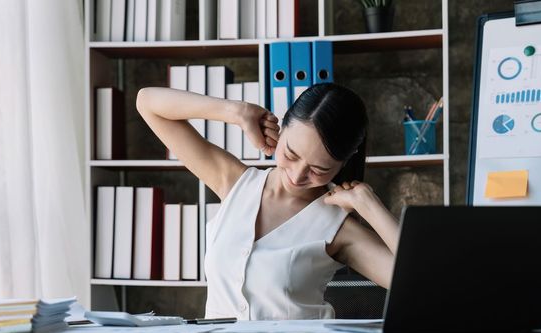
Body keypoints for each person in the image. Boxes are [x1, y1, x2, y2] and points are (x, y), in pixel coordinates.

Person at [135, 83, 399, 320]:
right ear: (281, 130)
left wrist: (369, 204)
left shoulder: (339, 227)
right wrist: (236, 112)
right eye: (291, 153)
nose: (297, 175)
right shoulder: (234, 182)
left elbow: (423, 286)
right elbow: (147, 102)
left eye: (319, 169)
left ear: (343, 163)